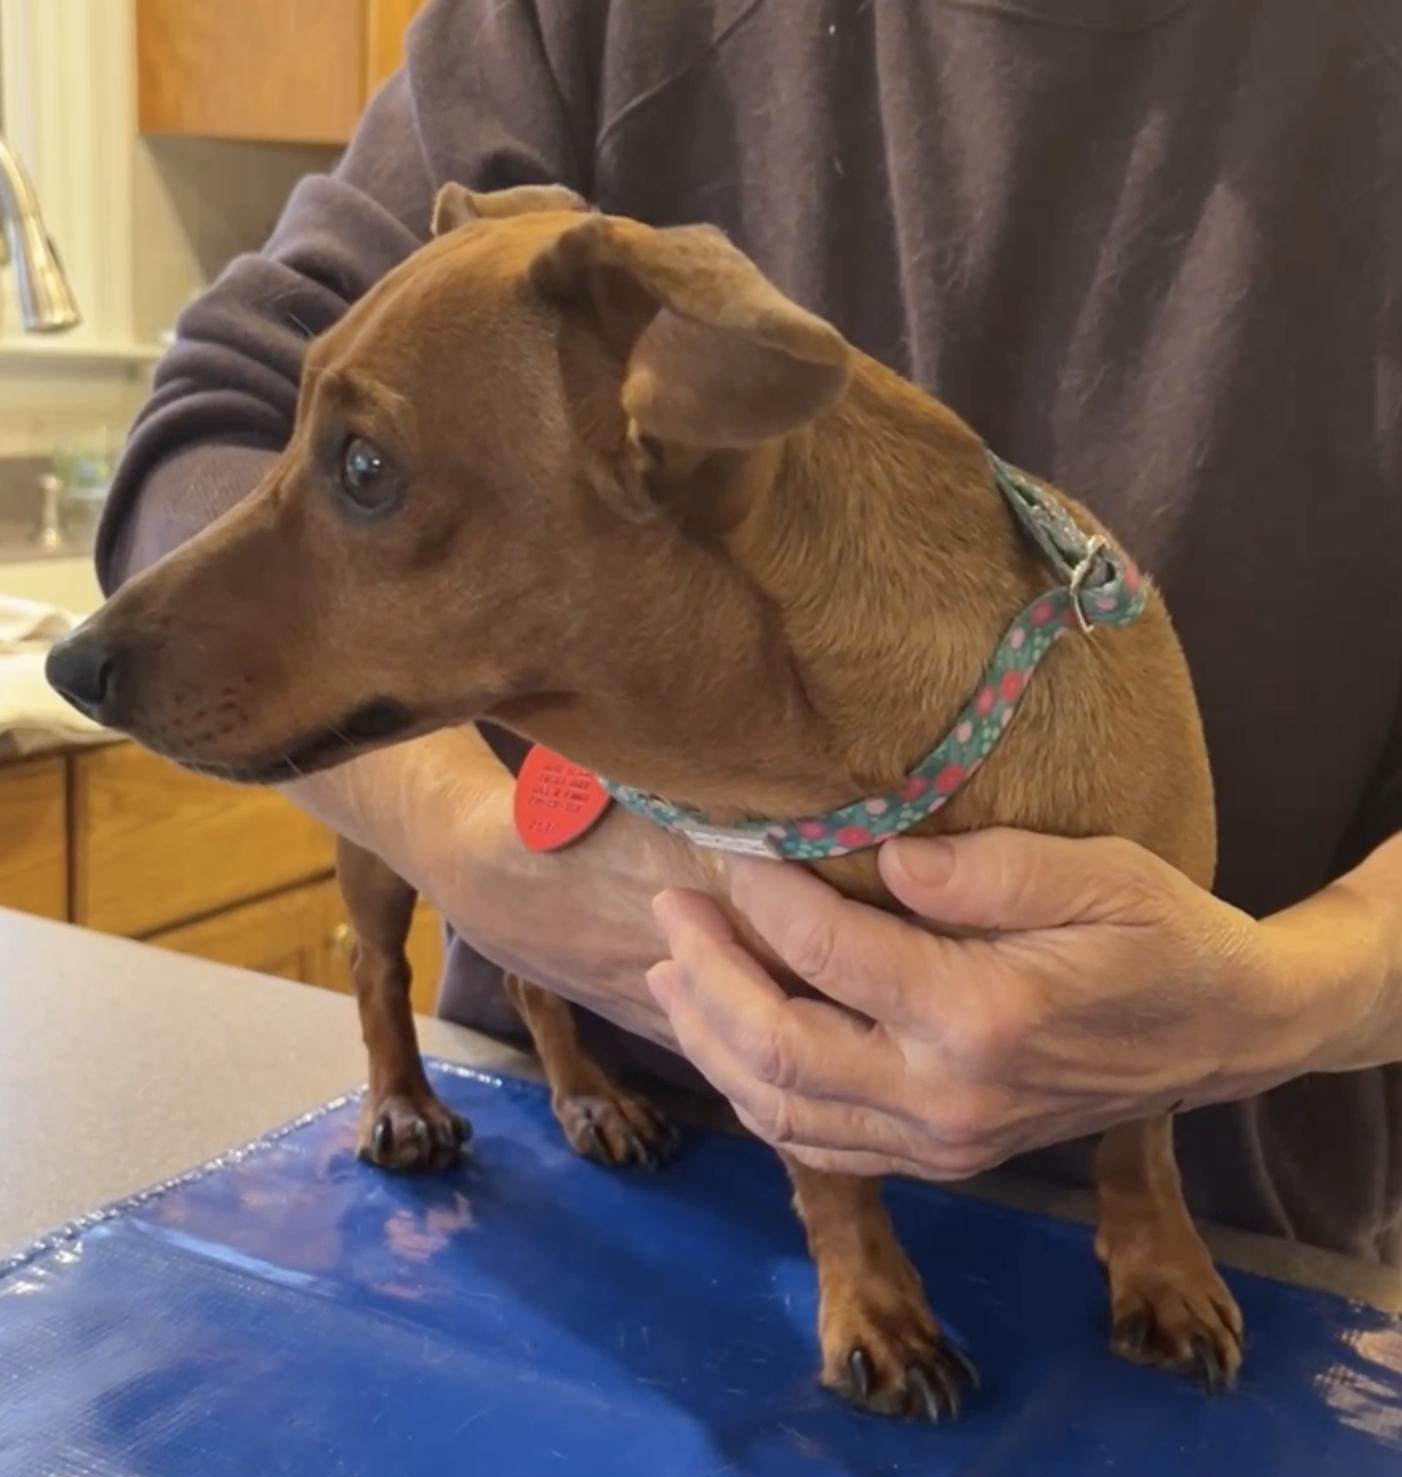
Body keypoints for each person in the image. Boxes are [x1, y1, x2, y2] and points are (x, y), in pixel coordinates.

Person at [98, 0, 1402, 1262]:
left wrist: (1281, 1000)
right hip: (569, 1186)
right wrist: (474, 848)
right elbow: (203, 434)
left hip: (1236, 1259)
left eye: (367, 476)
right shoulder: (583, 18)